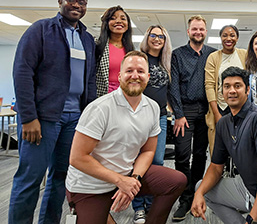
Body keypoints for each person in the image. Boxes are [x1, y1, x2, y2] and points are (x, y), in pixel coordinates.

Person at [65, 51, 187, 224]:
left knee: (176, 180)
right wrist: (120, 180)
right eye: (129, 71)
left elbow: (148, 151)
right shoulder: (100, 108)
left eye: (140, 71)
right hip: (90, 185)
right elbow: (77, 158)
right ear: (120, 75)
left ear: (148, 76)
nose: (135, 76)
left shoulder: (152, 107)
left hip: (127, 173)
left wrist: (134, 179)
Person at [9, 0, 96, 224]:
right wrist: (28, 117)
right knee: (30, 179)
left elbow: (89, 81)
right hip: (42, 119)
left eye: (82, 2)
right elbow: (22, 72)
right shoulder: (41, 30)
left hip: (74, 119)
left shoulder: (87, 39)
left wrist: (87, 118)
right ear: (60, 2)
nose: (77, 5)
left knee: (61, 177)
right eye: (72, 0)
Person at [191, 66, 257, 224]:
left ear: (247, 90)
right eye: (227, 86)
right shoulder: (224, 123)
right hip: (250, 190)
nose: (232, 91)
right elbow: (216, 167)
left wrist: (252, 219)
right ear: (221, 92)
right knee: (203, 187)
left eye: (237, 86)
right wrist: (198, 194)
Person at [169, 15, 216, 222]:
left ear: (206, 32)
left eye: (202, 29)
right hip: (184, 111)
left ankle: (197, 193)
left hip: (206, 110)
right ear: (188, 32)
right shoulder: (177, 55)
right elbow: (174, 87)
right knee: (181, 154)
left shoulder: (213, 54)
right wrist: (178, 115)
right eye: (194, 29)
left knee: (200, 155)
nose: (198, 32)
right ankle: (184, 198)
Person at [131, 25, 172, 223]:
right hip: (138, 116)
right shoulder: (140, 58)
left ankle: (151, 202)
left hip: (161, 118)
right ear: (147, 37)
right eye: (153, 35)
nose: (157, 39)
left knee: (156, 161)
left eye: (161, 36)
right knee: (137, 161)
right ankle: (138, 206)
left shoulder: (166, 61)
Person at [205, 24, 247, 155]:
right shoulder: (213, 57)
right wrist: (217, 114)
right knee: (219, 146)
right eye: (225, 35)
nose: (229, 38)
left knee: (241, 143)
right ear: (220, 38)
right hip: (221, 107)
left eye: (232, 35)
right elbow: (209, 85)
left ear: (237, 38)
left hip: (241, 106)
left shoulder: (244, 54)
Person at [95, 5, 134, 97]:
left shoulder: (130, 50)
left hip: (125, 95)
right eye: (113, 18)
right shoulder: (97, 46)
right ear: (106, 23)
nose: (118, 21)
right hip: (102, 95)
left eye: (123, 19)